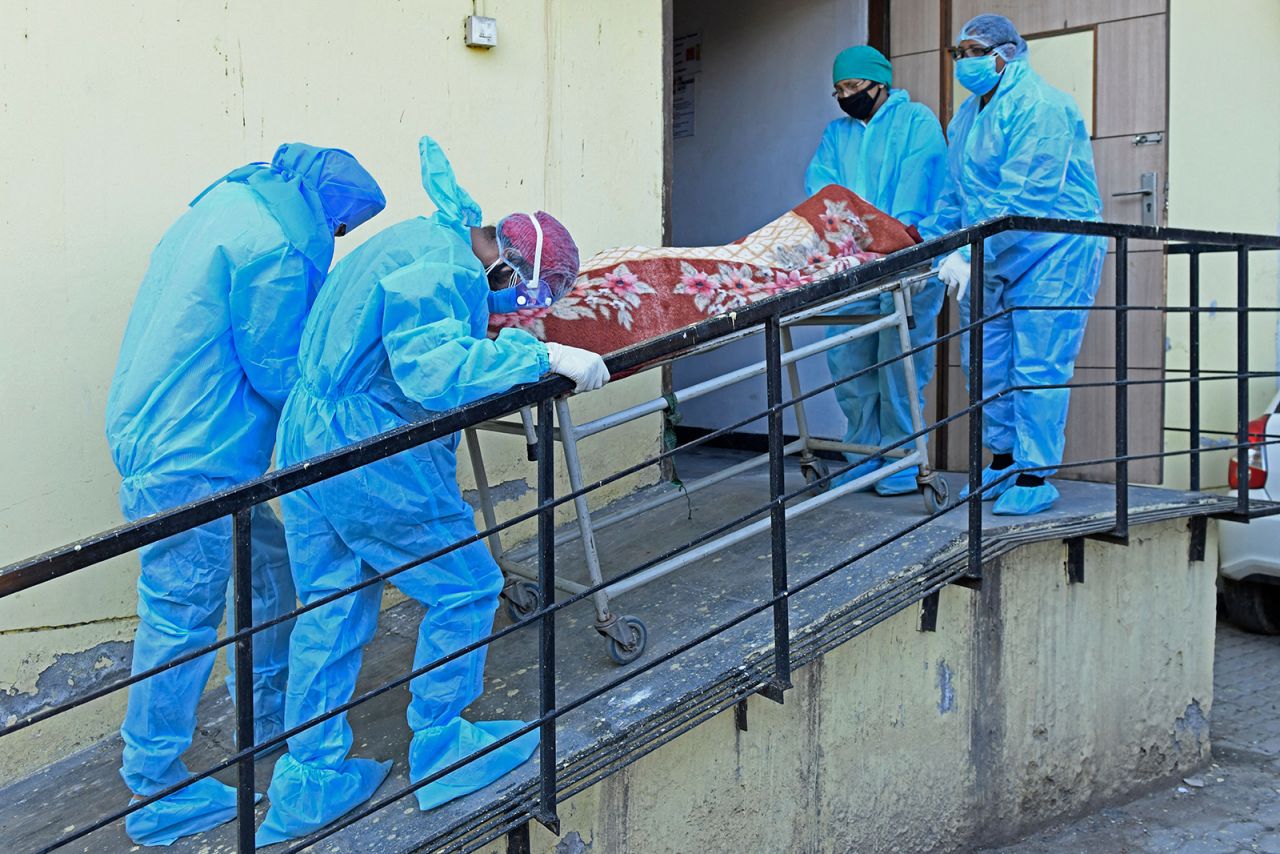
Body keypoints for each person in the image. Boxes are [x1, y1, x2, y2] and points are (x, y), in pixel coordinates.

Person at [256, 135, 609, 844]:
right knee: (468, 587)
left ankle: (310, 779)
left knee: (331, 601)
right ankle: (441, 745)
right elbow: (433, 368)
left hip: (306, 439)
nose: (515, 309)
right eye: (525, 296)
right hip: (364, 454)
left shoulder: (428, 239)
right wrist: (540, 354)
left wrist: (512, 343)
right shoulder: (441, 269)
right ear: (508, 264)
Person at [105, 144, 386, 846]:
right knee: (180, 616)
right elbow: (281, 372)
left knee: (271, 573)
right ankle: (154, 787)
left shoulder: (227, 205)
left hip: (164, 434)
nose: (339, 240)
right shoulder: (281, 248)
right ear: (332, 213)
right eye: (344, 229)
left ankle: (263, 733)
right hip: (198, 457)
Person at [925, 14, 1105, 516]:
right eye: (958, 53)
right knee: (985, 360)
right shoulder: (964, 117)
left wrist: (965, 251)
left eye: (974, 51)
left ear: (1004, 53)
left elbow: (1027, 194)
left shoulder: (1042, 105)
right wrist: (929, 241)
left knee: (1038, 362)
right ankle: (1002, 460)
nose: (964, 62)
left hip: (1052, 251)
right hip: (990, 250)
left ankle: (1034, 472)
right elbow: (955, 194)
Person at [805, 45, 948, 495]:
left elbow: (916, 190)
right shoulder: (836, 134)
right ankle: (862, 458)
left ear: (879, 83)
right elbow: (822, 194)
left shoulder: (917, 123)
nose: (846, 96)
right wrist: (848, 246)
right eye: (840, 90)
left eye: (852, 87)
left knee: (899, 366)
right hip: (852, 266)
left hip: (907, 260)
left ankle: (903, 463)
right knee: (849, 365)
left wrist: (890, 242)